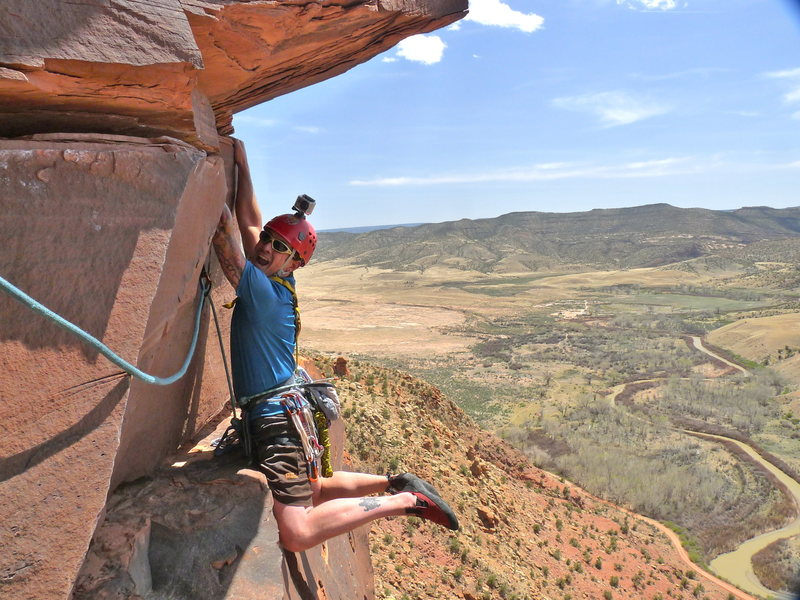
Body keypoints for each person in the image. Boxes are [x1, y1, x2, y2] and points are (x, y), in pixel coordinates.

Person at [211, 139, 458, 553]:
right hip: (288, 411)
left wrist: (206, 192)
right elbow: (250, 220)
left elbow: (229, 243)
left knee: (296, 532)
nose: (266, 247)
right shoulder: (276, 280)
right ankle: (396, 481)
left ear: (295, 262)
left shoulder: (263, 292)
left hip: (276, 423)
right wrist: (241, 164)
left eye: (279, 247)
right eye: (268, 240)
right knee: (318, 488)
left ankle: (405, 501)